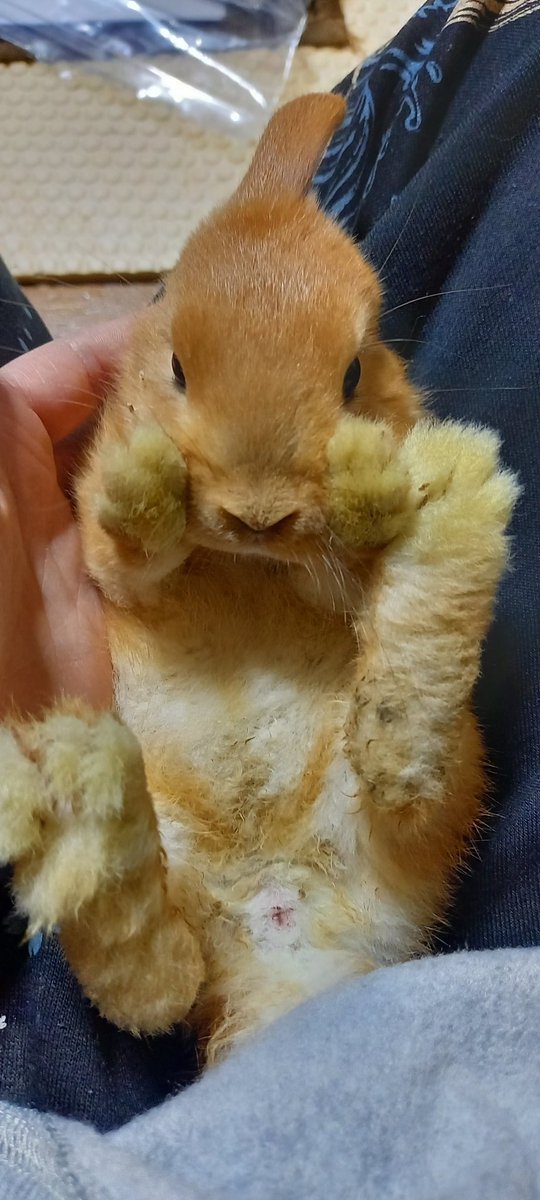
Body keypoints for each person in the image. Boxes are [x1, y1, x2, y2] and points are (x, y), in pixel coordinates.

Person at [0, 1, 539, 1195]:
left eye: (347, 382)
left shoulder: (376, 412)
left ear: (365, 356)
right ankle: (132, 901)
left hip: (312, 800)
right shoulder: (139, 402)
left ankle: (399, 680)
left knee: (397, 768)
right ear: (160, 349)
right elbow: (112, 572)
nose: (250, 509)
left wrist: (336, 557)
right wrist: (142, 547)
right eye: (179, 375)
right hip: (208, 784)